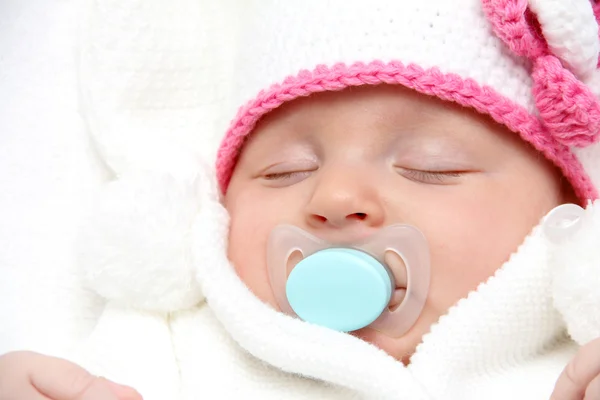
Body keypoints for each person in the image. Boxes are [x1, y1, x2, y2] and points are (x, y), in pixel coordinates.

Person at [2, 0, 600, 399]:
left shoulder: (575, 369)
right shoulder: (162, 351)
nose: (334, 196)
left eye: (429, 168)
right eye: (284, 171)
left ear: (567, 205)